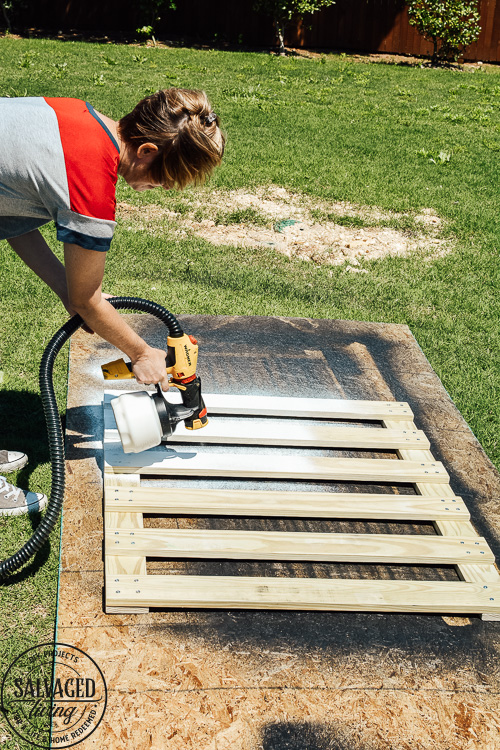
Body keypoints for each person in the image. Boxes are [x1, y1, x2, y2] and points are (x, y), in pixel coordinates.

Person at [0, 88, 225, 516]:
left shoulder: (80, 118)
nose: (157, 188)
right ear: (145, 150)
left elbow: (12, 218)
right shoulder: (89, 179)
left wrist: (67, 291)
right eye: (164, 177)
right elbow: (89, 299)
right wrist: (140, 353)